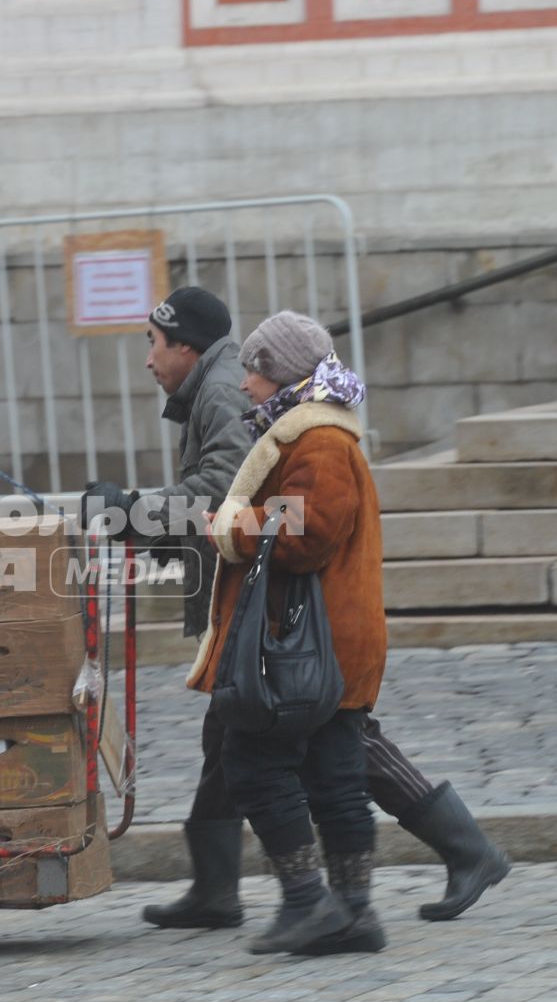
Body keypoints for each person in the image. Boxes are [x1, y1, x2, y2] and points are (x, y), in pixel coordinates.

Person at [85, 291, 508, 932]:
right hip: (285, 622)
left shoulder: (303, 432)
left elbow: (278, 519)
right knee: (252, 744)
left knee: (316, 755)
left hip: (308, 631)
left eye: (153, 341)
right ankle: (257, 894)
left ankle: (348, 893)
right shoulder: (279, 419)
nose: (148, 358)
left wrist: (147, 512)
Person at [193, 310, 386, 954]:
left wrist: (231, 522)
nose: (244, 384)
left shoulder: (320, 442)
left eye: (252, 369)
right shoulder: (313, 435)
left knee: (251, 762)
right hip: (333, 637)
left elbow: (303, 531)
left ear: (278, 373)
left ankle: (309, 901)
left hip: (313, 642)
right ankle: (354, 914)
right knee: (335, 776)